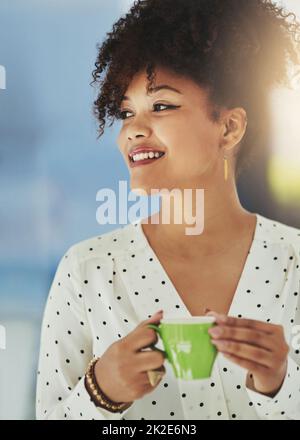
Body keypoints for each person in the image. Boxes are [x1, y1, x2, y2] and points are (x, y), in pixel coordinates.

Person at [36, 0, 300, 420]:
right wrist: (100, 392)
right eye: (125, 112)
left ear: (229, 127)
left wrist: (280, 385)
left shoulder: (292, 262)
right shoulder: (87, 270)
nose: (133, 130)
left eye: (161, 106)